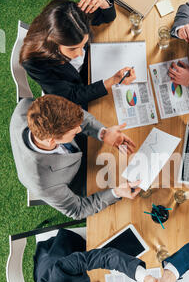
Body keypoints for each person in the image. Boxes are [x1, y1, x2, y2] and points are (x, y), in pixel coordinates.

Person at [10, 94, 140, 219]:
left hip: (76, 151)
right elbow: (78, 210)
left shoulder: (26, 107)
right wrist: (116, 192)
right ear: (52, 141)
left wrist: (103, 133)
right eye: (74, 132)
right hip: (75, 181)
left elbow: (75, 117)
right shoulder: (44, 184)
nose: (79, 130)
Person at [20, 0, 136, 109]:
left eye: (83, 45)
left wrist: (103, 2)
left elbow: (107, 17)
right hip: (75, 91)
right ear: (52, 42)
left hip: (93, 68)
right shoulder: (33, 62)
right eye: (72, 49)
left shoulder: (75, 20)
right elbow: (71, 95)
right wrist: (112, 81)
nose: (80, 54)